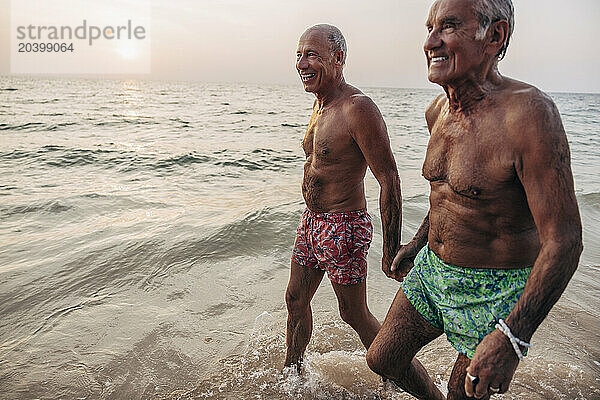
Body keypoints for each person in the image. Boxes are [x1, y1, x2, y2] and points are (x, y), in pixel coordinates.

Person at [365, 0, 583, 399]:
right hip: (433, 270)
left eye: (448, 26)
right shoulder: (438, 111)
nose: (430, 41)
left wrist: (512, 338)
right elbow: (448, 194)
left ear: (494, 36)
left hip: (494, 287)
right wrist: (416, 243)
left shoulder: (529, 116)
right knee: (383, 359)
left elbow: (564, 240)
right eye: (429, 27)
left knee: (461, 394)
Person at [284, 24, 402, 371]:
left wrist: (391, 248)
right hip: (311, 222)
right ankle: (292, 374)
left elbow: (389, 179)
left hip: (343, 225)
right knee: (295, 299)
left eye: (311, 55)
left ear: (338, 58)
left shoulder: (358, 108)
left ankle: (398, 374)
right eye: (299, 55)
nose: (301, 63)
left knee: (353, 313)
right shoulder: (321, 105)